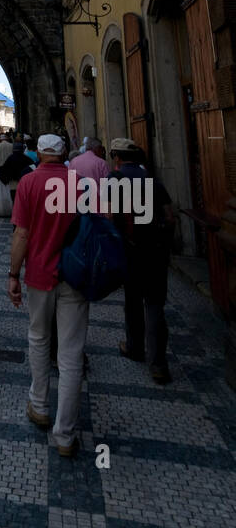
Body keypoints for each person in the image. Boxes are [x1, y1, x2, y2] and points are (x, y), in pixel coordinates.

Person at [8, 133, 87, 457]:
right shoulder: (80, 183)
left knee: (39, 338)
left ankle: (39, 405)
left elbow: (21, 234)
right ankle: (65, 435)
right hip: (75, 275)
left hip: (40, 273)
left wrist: (14, 274)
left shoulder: (28, 183)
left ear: (39, 153)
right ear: (64, 152)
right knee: (71, 353)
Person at [109, 138, 176, 385]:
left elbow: (107, 216)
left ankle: (135, 346)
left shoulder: (115, 180)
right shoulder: (153, 180)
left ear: (116, 157)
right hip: (155, 252)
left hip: (129, 250)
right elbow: (170, 218)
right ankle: (158, 365)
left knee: (132, 300)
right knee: (155, 305)